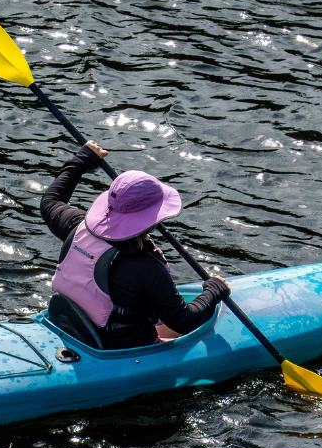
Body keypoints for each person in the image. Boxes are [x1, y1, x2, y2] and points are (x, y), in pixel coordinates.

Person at [41, 140, 229, 350]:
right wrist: (214, 289)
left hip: (73, 328)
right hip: (121, 348)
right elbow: (184, 321)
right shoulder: (146, 267)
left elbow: (50, 201)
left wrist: (82, 159)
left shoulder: (77, 226)